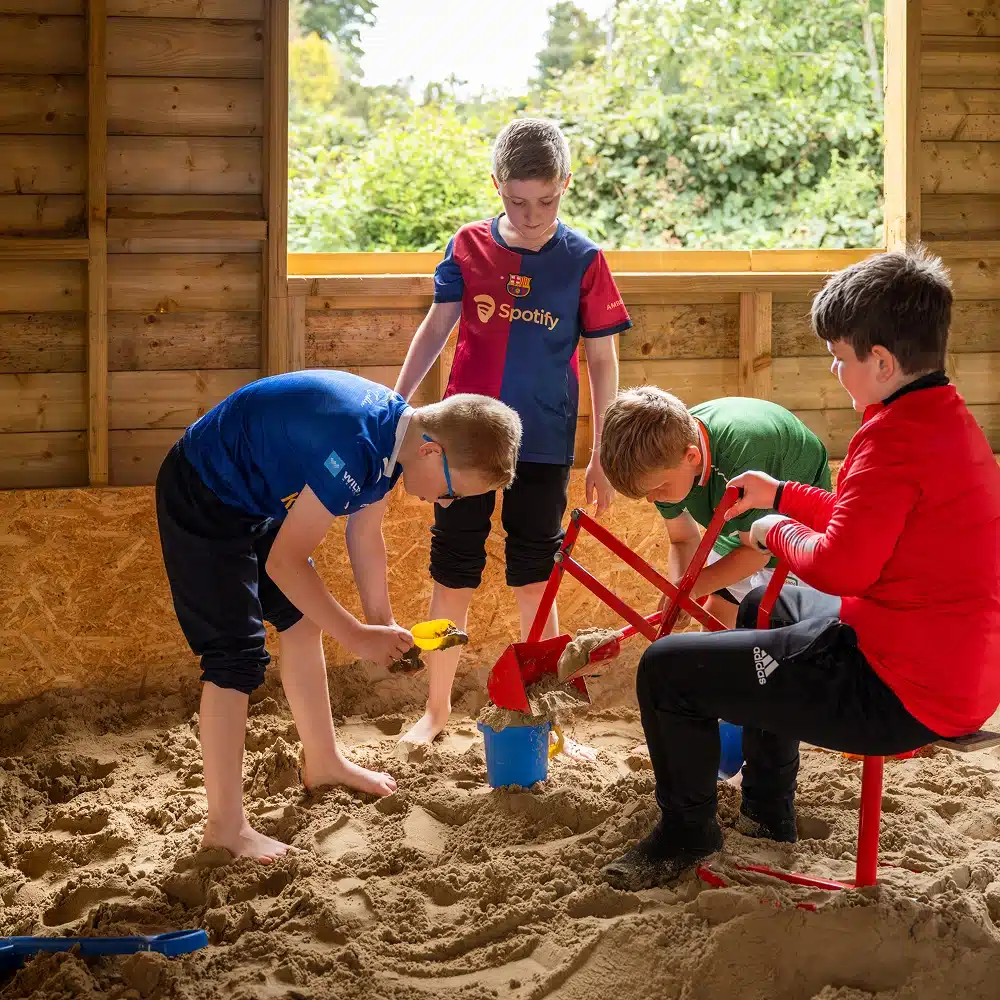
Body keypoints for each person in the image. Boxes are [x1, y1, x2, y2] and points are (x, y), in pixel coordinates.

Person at [601, 247, 1000, 890]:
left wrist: (772, 528)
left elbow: (841, 566)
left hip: (901, 687)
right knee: (765, 607)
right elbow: (860, 514)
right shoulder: (940, 420)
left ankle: (686, 832)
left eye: (839, 357)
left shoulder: (892, 440)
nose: (834, 370)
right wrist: (783, 494)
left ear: (882, 361)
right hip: (954, 665)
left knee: (666, 668)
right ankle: (767, 808)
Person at [155, 370, 522, 863]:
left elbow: (364, 534)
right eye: (452, 491)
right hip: (201, 491)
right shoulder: (358, 444)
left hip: (250, 497)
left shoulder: (399, 441)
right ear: (433, 451)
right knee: (234, 658)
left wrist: (380, 625)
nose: (444, 502)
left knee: (303, 622)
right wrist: (354, 636)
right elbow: (285, 562)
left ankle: (323, 761)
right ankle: (225, 827)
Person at [393, 117, 631, 746]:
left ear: (566, 185)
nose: (531, 215)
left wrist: (602, 448)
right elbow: (438, 326)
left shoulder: (583, 260)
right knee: (452, 571)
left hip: (544, 442)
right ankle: (437, 709)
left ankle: (544, 713)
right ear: (496, 183)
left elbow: (602, 359)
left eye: (547, 201)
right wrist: (397, 402)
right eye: (517, 200)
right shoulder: (467, 246)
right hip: (462, 438)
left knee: (535, 573)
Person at [599, 387, 832, 628]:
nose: (653, 499)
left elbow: (757, 553)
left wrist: (692, 588)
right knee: (712, 635)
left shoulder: (739, 458)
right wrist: (681, 589)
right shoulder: (664, 462)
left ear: (692, 458)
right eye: (646, 493)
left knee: (773, 643)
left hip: (793, 535)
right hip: (739, 529)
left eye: (657, 490)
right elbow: (682, 539)